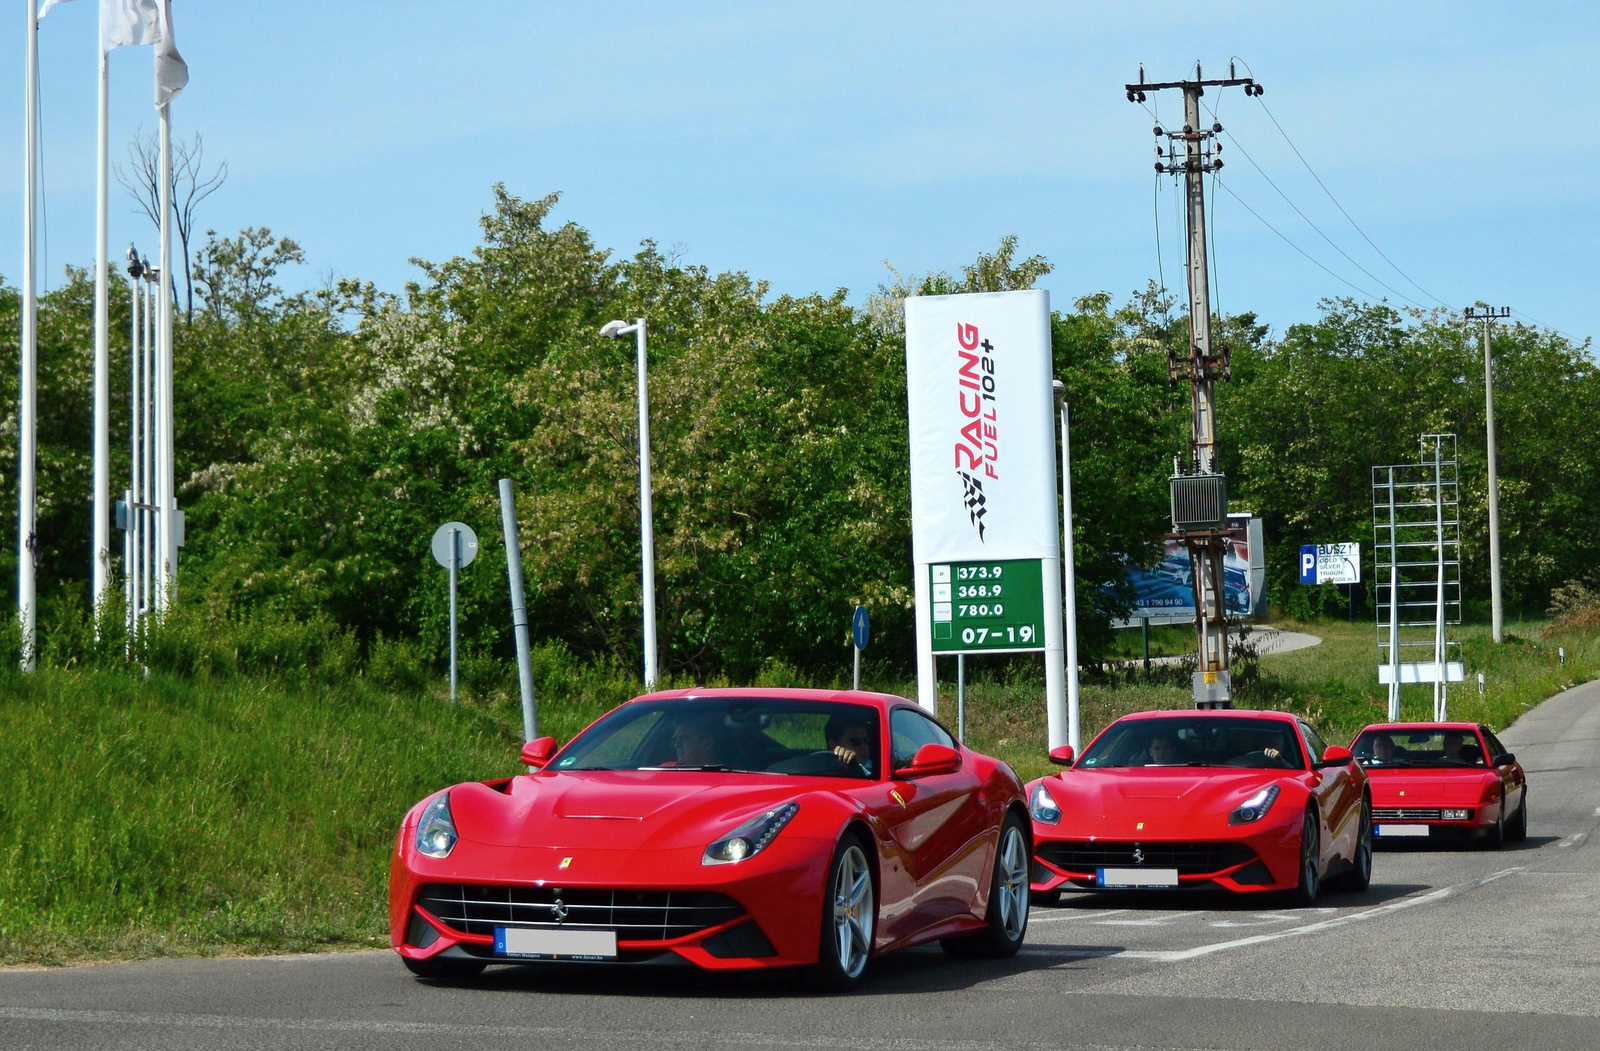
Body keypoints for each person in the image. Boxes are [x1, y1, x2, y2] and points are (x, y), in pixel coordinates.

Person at [825, 711, 877, 777]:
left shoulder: (880, 767)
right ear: (834, 746)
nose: (863, 746)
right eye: (855, 742)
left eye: (866, 740)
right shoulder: (823, 771)